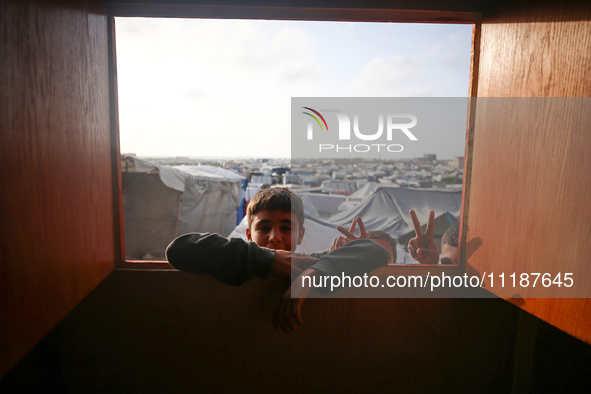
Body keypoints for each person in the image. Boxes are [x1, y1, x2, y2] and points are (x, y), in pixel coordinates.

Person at [166, 187, 389, 332]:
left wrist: (310, 276)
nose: (274, 237)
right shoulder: (237, 258)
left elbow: (374, 251)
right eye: (264, 227)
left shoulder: (305, 262)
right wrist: (267, 260)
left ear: (301, 235)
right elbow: (178, 249)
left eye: (286, 228)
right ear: (248, 235)